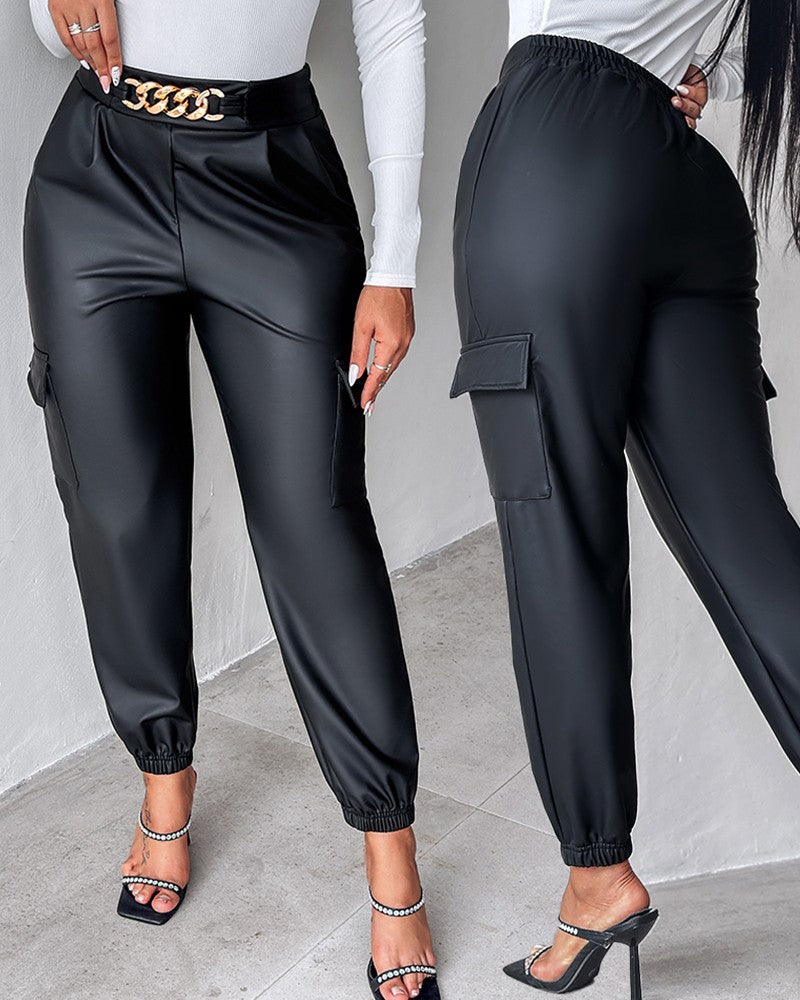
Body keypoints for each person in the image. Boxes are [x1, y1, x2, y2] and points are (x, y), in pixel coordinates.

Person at [25, 2, 437, 997]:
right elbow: (53, 29)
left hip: (273, 177)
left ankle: (388, 837)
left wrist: (393, 260)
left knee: (314, 520)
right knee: (118, 511)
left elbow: (392, 23)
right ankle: (164, 780)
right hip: (97, 173)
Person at [451, 2, 800, 996]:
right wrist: (698, 70)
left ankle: (596, 876)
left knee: (557, 534)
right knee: (752, 546)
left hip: (554, 153)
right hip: (683, 180)